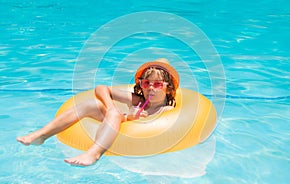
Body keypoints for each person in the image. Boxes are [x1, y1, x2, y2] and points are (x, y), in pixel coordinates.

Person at [16, 58, 180, 166]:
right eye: (146, 83)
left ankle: (94, 154)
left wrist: (132, 118)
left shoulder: (166, 110)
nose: (151, 88)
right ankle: (42, 135)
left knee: (115, 115)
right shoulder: (137, 100)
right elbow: (101, 88)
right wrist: (111, 108)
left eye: (157, 84)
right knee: (90, 104)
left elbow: (155, 132)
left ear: (168, 88)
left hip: (136, 140)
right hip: (117, 124)